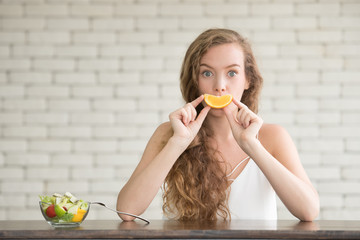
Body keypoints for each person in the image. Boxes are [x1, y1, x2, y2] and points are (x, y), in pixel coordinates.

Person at [116, 28, 319, 222]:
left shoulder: (273, 137)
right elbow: (127, 211)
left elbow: (309, 211)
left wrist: (252, 145)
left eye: (232, 73)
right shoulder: (168, 133)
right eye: (207, 73)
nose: (219, 86)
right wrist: (178, 143)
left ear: (248, 80)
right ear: (195, 81)